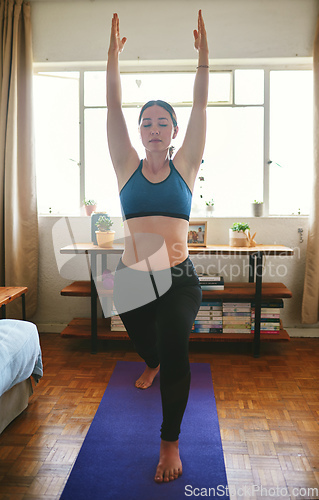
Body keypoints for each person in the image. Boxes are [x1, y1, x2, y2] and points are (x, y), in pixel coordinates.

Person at [106, 10, 209, 484]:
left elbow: (201, 110)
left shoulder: (185, 166)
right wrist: (112, 60)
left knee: (176, 347)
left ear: (172, 132)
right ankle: (150, 360)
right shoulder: (125, 164)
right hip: (130, 278)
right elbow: (111, 110)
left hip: (178, 279)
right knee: (149, 346)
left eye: (162, 121)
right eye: (146, 121)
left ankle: (170, 440)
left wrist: (204, 60)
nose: (152, 127)